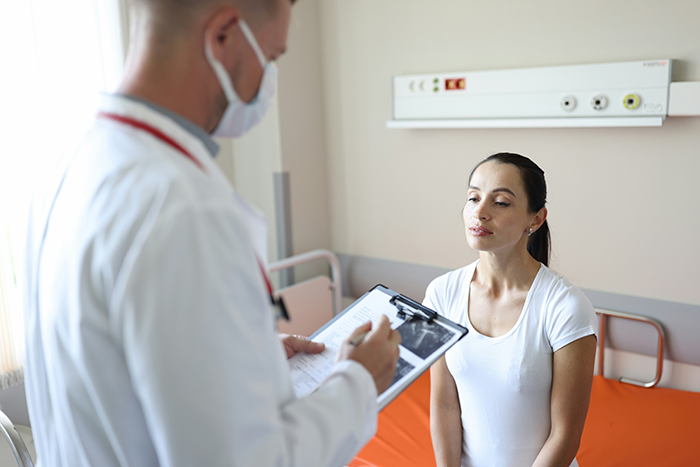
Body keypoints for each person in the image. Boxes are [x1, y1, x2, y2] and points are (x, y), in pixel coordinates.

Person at [21, 0, 401, 466]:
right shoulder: (184, 208)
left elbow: (112, 367)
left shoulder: (68, 163)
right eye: (273, 57)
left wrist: (249, 359)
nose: (269, 80)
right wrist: (358, 382)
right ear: (223, 34)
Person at [426, 153, 597, 467]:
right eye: (473, 198)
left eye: (500, 202)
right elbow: (445, 405)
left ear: (536, 218)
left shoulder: (565, 307)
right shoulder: (442, 292)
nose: (480, 212)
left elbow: (565, 435)